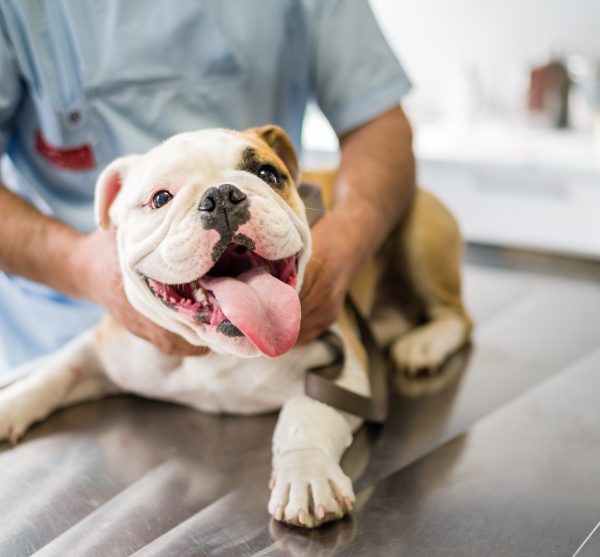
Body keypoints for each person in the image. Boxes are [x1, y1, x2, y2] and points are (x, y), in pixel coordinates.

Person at [0, 0, 415, 371]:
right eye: (162, 197)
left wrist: (345, 243)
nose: (220, 203)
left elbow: (376, 119)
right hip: (57, 332)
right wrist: (81, 265)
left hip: (280, 309)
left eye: (264, 174)